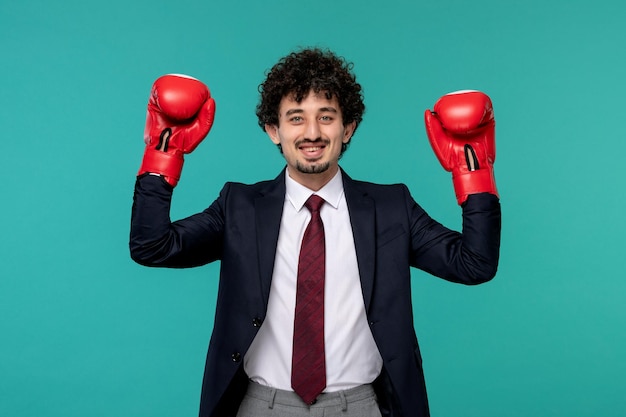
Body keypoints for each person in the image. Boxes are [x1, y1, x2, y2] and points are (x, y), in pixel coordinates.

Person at [130, 48, 501, 417]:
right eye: (296, 118)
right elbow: (153, 246)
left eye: (326, 117)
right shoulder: (239, 206)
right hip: (262, 405)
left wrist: (474, 174)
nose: (312, 133)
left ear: (348, 128)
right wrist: (163, 158)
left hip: (360, 406)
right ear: (273, 130)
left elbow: (474, 264)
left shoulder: (392, 208)